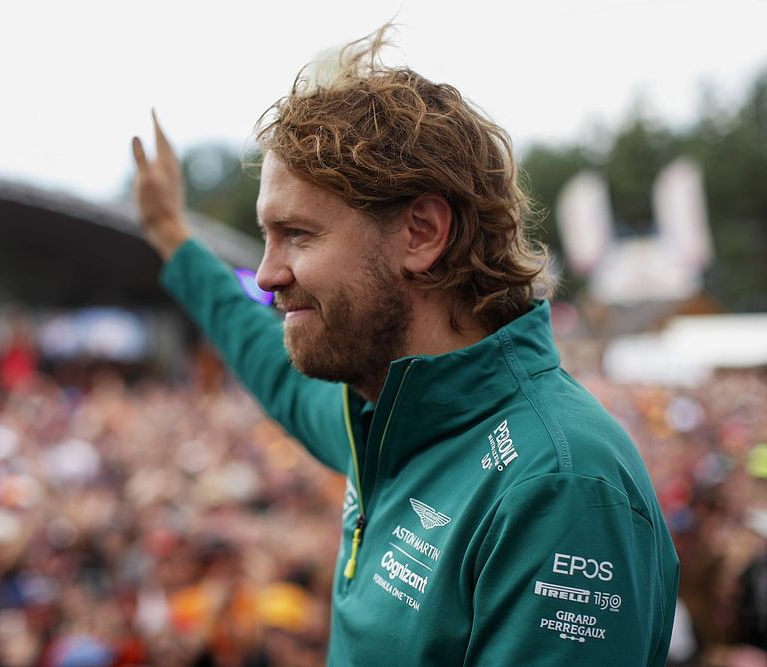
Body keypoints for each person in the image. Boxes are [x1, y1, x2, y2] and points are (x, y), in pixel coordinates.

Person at [130, 24, 679, 666]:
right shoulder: (388, 416)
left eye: (297, 234)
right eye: (266, 237)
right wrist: (172, 235)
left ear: (420, 232)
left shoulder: (560, 485)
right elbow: (272, 365)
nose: (267, 274)